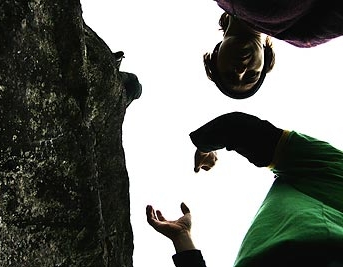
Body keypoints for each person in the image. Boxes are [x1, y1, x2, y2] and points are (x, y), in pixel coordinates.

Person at [146, 112, 343, 267]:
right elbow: (239, 130)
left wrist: (182, 240)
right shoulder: (332, 168)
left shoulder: (332, 168)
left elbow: (237, 129)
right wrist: (182, 238)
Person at [204, 1, 343, 99]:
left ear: (216, 57)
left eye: (230, 75)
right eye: (251, 75)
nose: (241, 71)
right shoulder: (303, 34)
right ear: (265, 59)